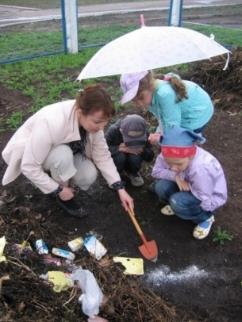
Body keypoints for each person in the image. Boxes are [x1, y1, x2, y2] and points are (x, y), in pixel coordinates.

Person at [2, 85, 134, 217]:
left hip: (65, 152)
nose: (101, 128)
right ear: (80, 112)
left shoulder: (94, 124)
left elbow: (103, 156)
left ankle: (60, 180)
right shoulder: (51, 122)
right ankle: (62, 195)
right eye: (97, 122)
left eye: (105, 123)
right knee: (62, 155)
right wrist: (57, 189)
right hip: (35, 155)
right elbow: (29, 166)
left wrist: (120, 188)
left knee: (88, 175)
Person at [151, 126, 227, 239]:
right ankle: (177, 204)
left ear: (190, 156)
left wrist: (205, 208)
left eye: (178, 164)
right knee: (161, 186)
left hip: (206, 194)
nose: (173, 168)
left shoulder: (201, 168)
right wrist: (177, 177)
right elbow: (156, 172)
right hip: (188, 184)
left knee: (178, 201)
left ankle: (205, 218)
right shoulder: (168, 154)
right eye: (169, 163)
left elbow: (203, 196)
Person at [120, 71, 214, 145]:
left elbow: (173, 129)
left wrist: (161, 138)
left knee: (182, 142)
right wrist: (160, 133)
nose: (139, 104)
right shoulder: (150, 96)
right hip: (179, 111)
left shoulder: (165, 95)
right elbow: (162, 117)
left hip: (197, 112)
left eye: (140, 98)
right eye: (133, 100)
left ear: (150, 86)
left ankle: (192, 142)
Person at [105, 114, 154, 187]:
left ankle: (133, 173)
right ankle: (115, 175)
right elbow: (101, 150)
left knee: (135, 157)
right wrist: (118, 148)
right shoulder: (113, 130)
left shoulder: (145, 133)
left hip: (132, 159)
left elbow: (150, 157)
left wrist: (143, 151)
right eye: (130, 140)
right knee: (120, 157)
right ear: (121, 131)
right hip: (117, 158)